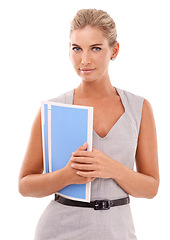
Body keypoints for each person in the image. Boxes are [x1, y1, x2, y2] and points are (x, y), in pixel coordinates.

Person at [18, 8, 159, 240]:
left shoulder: (139, 108)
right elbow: (25, 185)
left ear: (114, 50)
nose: (84, 60)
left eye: (95, 48)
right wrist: (66, 176)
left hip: (118, 231)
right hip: (59, 229)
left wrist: (112, 168)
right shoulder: (53, 110)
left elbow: (151, 188)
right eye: (77, 49)